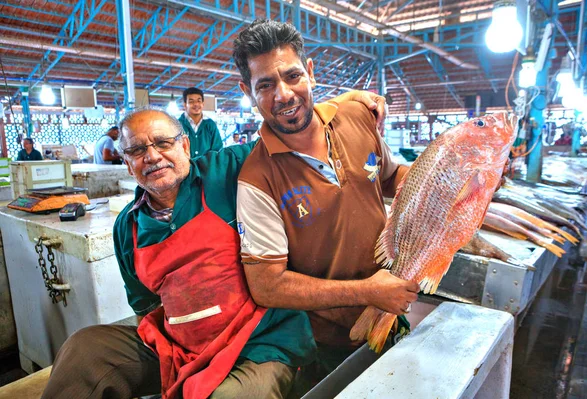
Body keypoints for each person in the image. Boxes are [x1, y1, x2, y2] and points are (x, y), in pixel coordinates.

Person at [42, 87, 387, 399]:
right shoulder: (126, 226)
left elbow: (289, 132)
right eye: (136, 149)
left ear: (185, 145)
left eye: (163, 143)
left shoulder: (225, 170)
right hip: (178, 345)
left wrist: (345, 102)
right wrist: (182, 332)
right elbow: (144, 304)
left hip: (256, 343)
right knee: (84, 351)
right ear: (126, 161)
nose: (152, 156)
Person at [233, 19, 419, 392]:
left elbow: (389, 177)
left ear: (311, 72)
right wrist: (368, 291)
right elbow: (267, 286)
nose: (283, 94)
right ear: (248, 92)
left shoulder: (355, 117)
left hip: (393, 308)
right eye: (265, 85)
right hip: (325, 341)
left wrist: (443, 179)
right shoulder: (257, 180)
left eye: (292, 75)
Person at [179, 87, 223, 158]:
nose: (196, 104)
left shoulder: (210, 125)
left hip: (207, 168)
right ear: (185, 105)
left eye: (199, 101)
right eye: (191, 101)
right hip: (185, 167)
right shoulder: (177, 125)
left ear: (203, 103)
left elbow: (217, 149)